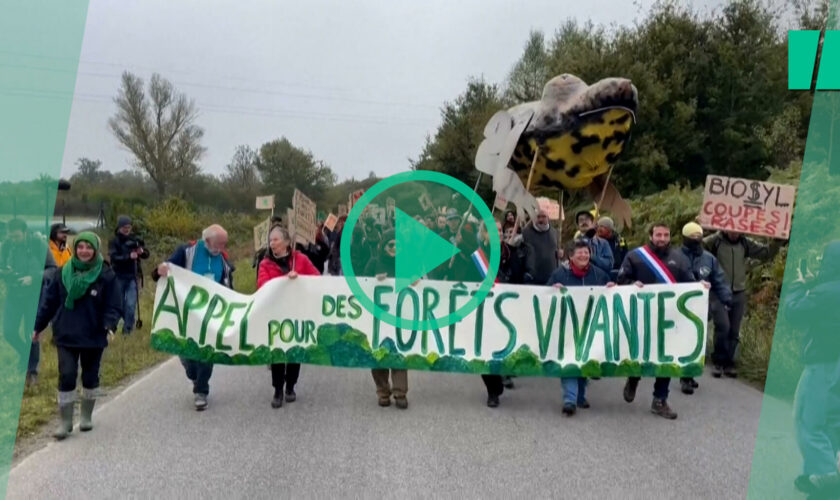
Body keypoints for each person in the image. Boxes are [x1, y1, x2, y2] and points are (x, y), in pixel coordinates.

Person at [33, 232, 121, 440]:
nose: (84, 251)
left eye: (88, 247)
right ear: (75, 249)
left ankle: (86, 416)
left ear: (95, 250)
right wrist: (38, 326)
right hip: (66, 332)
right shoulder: (62, 273)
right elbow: (49, 302)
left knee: (90, 375)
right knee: (67, 374)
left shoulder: (106, 275)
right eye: (80, 247)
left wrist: (109, 325)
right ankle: (64, 422)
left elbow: (113, 305)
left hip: (93, 333)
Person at [616, 222, 705, 419]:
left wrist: (701, 287)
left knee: (667, 358)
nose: (662, 239)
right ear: (651, 236)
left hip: (669, 318)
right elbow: (621, 279)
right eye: (658, 235)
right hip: (641, 317)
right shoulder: (635, 256)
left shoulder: (679, 259)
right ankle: (633, 377)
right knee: (639, 353)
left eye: (665, 235)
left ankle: (660, 399)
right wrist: (632, 284)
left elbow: (689, 285)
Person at [152, 224, 234, 411]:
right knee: (189, 357)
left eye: (224, 244)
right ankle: (192, 372)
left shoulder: (223, 259)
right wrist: (161, 269)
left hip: (210, 315)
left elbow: (229, 286)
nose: (222, 249)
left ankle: (201, 391)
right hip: (186, 312)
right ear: (207, 241)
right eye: (219, 244)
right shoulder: (186, 251)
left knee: (207, 352)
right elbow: (164, 271)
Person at [785, 241, 840, 497]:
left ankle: (827, 480)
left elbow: (793, 313)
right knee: (832, 421)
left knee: (808, 421)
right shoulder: (827, 290)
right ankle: (815, 476)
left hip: (824, 364)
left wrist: (798, 286)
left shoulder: (828, 291)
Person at [548, 240, 615, 415]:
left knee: (585, 359)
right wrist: (552, 289)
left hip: (591, 326)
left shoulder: (599, 274)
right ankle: (570, 399)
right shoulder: (559, 274)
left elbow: (610, 293)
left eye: (586, 252)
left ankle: (580, 395)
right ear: (571, 256)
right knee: (570, 359)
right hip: (567, 326)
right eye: (580, 253)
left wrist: (612, 288)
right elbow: (545, 295)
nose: (584, 255)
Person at [257, 225, 321, 408]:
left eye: (275, 239)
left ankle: (290, 386)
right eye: (270, 240)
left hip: (297, 313)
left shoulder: (300, 259)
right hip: (276, 314)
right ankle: (277, 389)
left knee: (295, 351)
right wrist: (285, 280)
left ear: (286, 242)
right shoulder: (265, 263)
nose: (272, 243)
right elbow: (262, 285)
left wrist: (299, 278)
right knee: (277, 353)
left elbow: (316, 278)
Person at [703, 230, 774, 377]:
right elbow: (699, 249)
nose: (735, 233)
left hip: (738, 291)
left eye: (738, 230)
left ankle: (729, 363)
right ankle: (718, 361)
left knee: (734, 330)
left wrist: (778, 240)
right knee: (723, 326)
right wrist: (705, 229)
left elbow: (766, 253)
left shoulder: (745, 243)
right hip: (719, 290)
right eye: (731, 229)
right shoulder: (715, 241)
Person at [679, 222, 733, 393]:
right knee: (688, 339)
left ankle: (695, 371)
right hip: (682, 305)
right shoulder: (676, 256)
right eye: (691, 237)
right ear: (685, 238)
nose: (695, 240)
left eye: (698, 237)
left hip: (705, 304)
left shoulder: (709, 259)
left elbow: (719, 280)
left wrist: (726, 299)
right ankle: (685, 377)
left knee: (700, 339)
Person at [362, 229, 410, 409]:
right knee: (378, 355)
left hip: (399, 318)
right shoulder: (374, 262)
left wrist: (415, 281)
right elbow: (362, 285)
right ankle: (383, 391)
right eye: (391, 245)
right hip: (378, 318)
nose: (394, 248)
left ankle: (400, 392)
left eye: (398, 245)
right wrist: (375, 281)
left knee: (399, 355)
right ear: (384, 246)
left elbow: (419, 285)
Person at [1, 218, 49, 386]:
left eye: (17, 237)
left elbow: (53, 270)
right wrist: (6, 272)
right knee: (8, 331)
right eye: (11, 237)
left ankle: (32, 371)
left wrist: (33, 277)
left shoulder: (38, 245)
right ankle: (24, 354)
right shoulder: (7, 246)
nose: (14, 240)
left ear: (25, 233)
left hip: (34, 295)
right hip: (14, 294)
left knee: (32, 333)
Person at [108, 216, 149, 336]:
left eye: (129, 227)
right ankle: (112, 327)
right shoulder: (114, 241)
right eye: (124, 227)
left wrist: (142, 252)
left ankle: (127, 331)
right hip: (118, 276)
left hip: (133, 276)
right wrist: (128, 257)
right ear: (119, 227)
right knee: (118, 304)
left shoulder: (135, 239)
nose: (127, 229)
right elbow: (114, 257)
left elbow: (146, 254)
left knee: (131, 305)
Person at [522, 208, 558, 285]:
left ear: (548, 218)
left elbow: (557, 251)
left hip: (550, 276)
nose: (541, 219)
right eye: (538, 217)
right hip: (532, 277)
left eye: (544, 216)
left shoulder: (555, 232)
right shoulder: (526, 233)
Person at [574, 210, 613, 275]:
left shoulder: (603, 243)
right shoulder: (573, 244)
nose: (584, 222)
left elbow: (609, 265)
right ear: (578, 225)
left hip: (600, 280)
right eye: (581, 220)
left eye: (587, 219)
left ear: (592, 223)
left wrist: (592, 257)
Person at [596, 217, 628, 281]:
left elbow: (626, 256)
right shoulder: (595, 241)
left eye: (602, 226)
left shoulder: (620, 240)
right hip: (601, 274)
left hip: (618, 273)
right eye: (598, 226)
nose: (599, 229)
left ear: (609, 229)